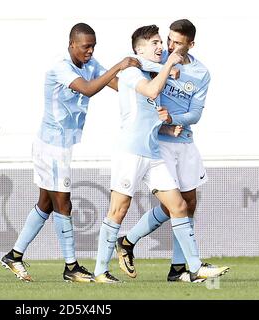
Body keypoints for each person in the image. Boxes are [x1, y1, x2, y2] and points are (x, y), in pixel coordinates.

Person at [0, 22, 140, 283]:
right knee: (64, 203)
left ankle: (14, 255)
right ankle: (71, 266)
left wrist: (143, 89)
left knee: (46, 203)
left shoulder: (90, 63)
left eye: (93, 46)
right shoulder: (60, 66)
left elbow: (116, 84)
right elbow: (88, 88)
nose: (90, 51)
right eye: (86, 46)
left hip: (62, 145)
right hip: (51, 146)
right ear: (72, 44)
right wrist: (119, 65)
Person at [93, 24, 229, 283]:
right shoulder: (132, 72)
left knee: (179, 206)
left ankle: (194, 267)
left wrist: (168, 126)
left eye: (160, 41)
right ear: (138, 49)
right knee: (118, 210)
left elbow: (151, 112)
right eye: (155, 42)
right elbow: (153, 91)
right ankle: (100, 271)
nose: (161, 47)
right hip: (130, 152)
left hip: (153, 152)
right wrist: (169, 67)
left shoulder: (153, 70)